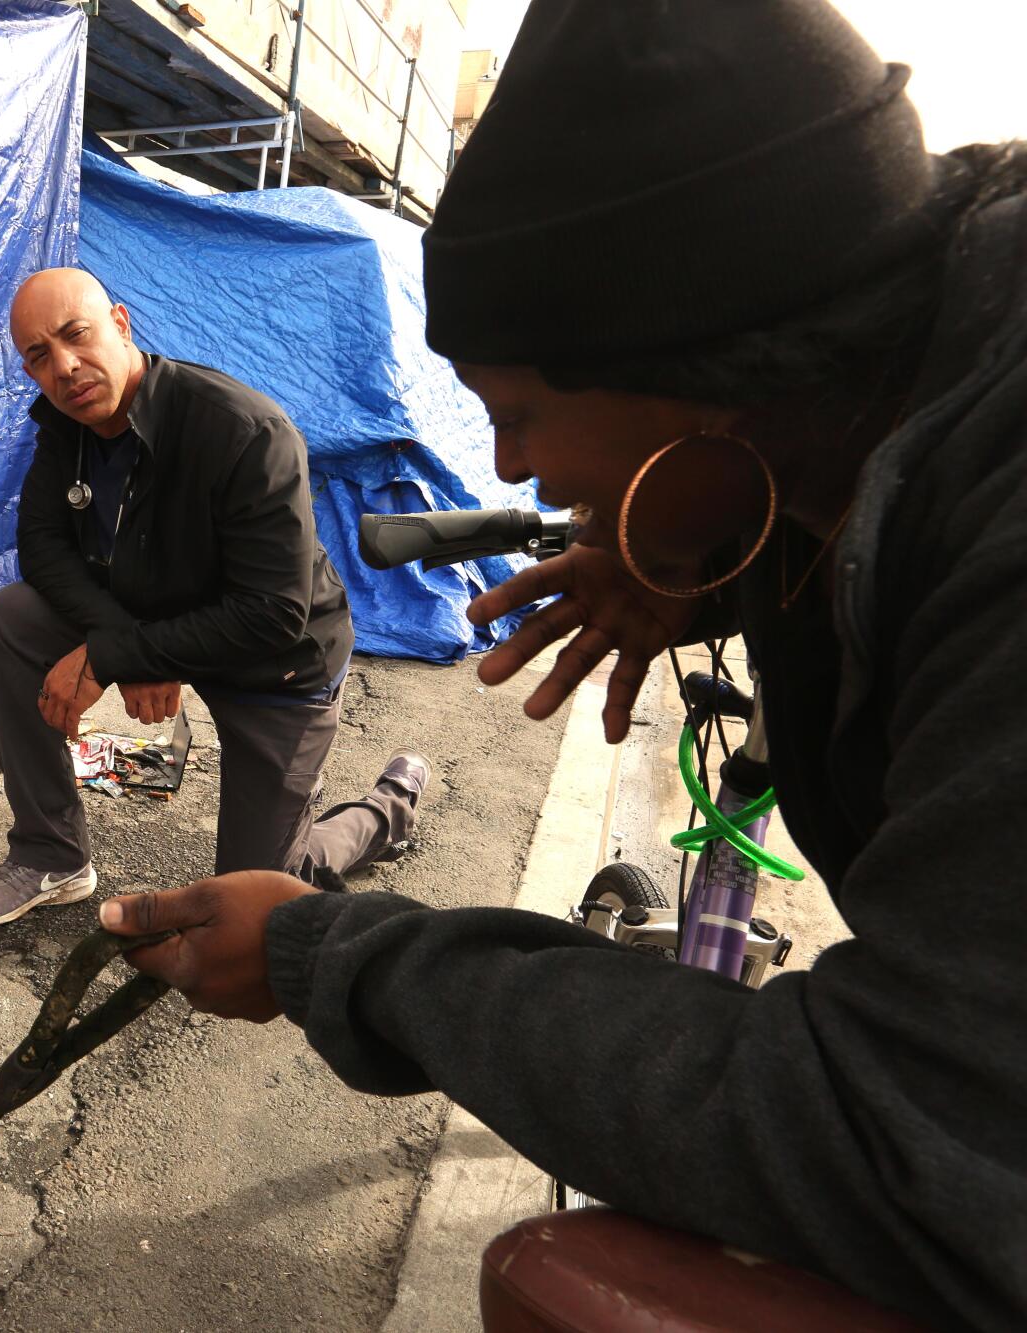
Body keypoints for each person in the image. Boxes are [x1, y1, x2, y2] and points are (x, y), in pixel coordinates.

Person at [97, 1, 1027, 1327]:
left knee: (562, 1289)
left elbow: (907, 1134)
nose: (518, 469)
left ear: (709, 379)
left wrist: (340, 959)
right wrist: (700, 554)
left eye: (519, 414)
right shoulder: (879, 384)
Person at [0, 267, 429, 928]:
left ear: (120, 323)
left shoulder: (241, 430)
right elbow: (42, 545)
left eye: (75, 335)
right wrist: (122, 646)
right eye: (39, 356)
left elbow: (272, 612)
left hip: (274, 663)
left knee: (257, 902)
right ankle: (49, 853)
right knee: (15, 616)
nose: (64, 366)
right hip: (155, 619)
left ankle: (386, 810)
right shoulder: (67, 428)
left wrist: (118, 651)